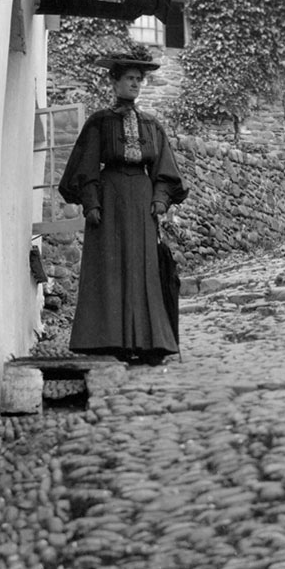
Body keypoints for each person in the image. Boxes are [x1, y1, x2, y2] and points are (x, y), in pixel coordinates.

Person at [59, 52, 188, 365]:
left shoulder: (151, 125)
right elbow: (86, 164)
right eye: (128, 78)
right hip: (110, 197)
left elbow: (164, 168)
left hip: (141, 198)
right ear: (114, 81)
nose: (134, 84)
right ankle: (109, 342)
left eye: (138, 80)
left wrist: (159, 199)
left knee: (143, 266)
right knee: (110, 268)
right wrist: (91, 202)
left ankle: (147, 343)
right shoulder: (100, 122)